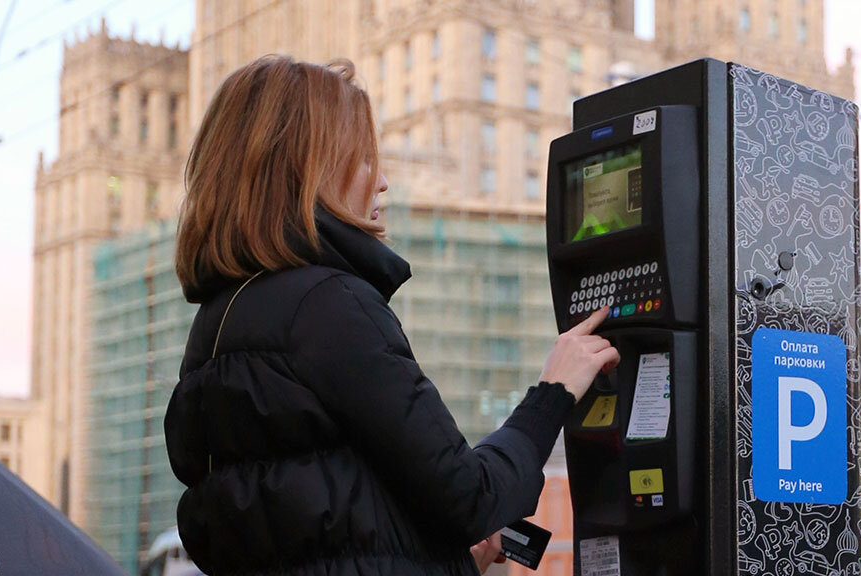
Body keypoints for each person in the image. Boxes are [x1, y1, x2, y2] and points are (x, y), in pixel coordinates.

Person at [164, 54, 619, 576]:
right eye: (362, 158)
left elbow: (313, 529)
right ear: (307, 169)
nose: (381, 181)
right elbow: (470, 495)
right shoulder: (328, 305)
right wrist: (552, 393)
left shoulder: (216, 327)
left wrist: (446, 558)